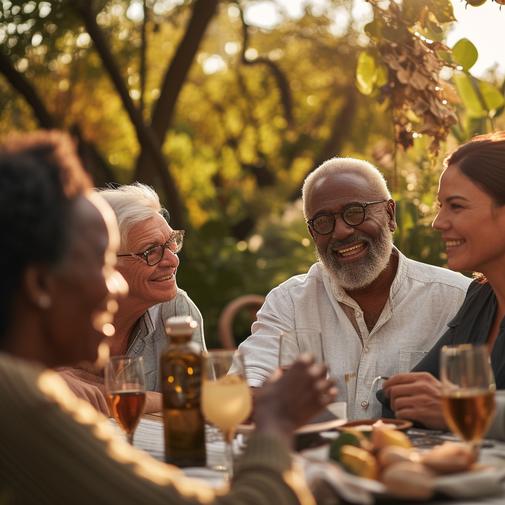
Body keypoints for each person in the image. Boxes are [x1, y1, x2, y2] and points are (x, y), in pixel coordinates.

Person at [0, 130, 337, 504]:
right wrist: (274, 425)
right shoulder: (15, 397)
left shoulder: (19, 384)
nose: (114, 288)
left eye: (171, 243)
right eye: (100, 263)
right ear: (40, 284)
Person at [238, 157, 471, 419]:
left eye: (355, 212)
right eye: (323, 221)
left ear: (390, 215)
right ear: (313, 234)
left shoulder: (458, 300)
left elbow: (485, 401)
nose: (341, 231)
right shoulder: (290, 303)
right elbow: (244, 390)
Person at [380, 132, 505, 430]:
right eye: (440, 207)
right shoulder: (480, 298)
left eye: (457, 206)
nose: (439, 223)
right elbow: (405, 402)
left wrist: (460, 410)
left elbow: (445, 406)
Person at [56, 182, 205, 415]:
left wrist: (97, 391)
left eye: (171, 242)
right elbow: (44, 399)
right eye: (151, 251)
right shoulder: (46, 317)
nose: (173, 260)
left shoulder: (177, 313)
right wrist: (161, 400)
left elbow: (195, 402)